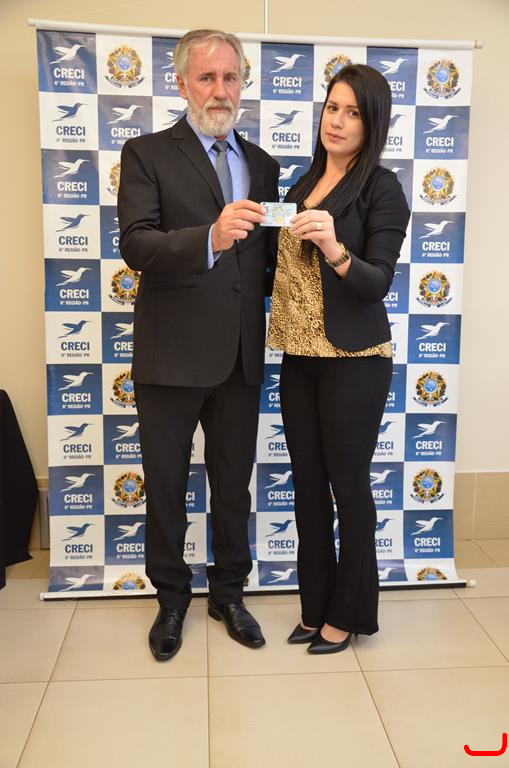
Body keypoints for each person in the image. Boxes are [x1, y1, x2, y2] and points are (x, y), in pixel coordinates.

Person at [118, 29, 279, 660]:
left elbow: (266, 262)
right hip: (170, 355)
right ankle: (171, 599)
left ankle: (229, 594)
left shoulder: (262, 164)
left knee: (233, 486)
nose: (220, 90)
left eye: (231, 77)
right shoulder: (147, 152)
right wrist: (209, 237)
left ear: (243, 84)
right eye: (207, 77)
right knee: (165, 486)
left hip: (240, 354)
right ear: (182, 82)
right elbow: (136, 244)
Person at [267, 64, 410, 654]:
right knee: (306, 487)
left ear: (372, 123)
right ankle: (315, 606)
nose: (339, 121)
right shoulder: (302, 184)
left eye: (353, 112)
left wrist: (334, 247)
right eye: (332, 108)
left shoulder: (382, 187)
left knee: (347, 488)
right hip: (299, 357)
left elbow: (377, 282)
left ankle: (348, 614)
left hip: (356, 359)